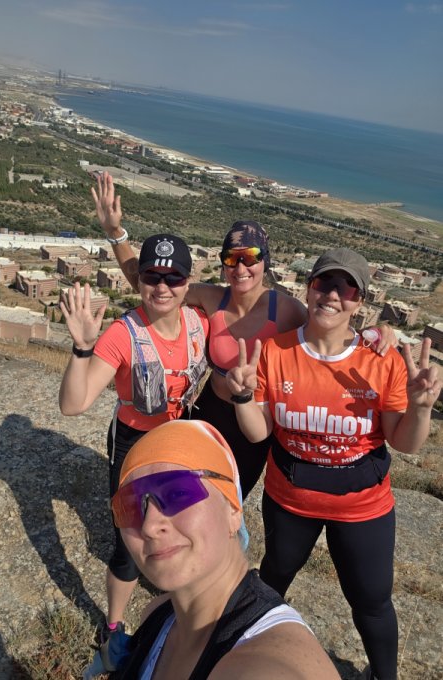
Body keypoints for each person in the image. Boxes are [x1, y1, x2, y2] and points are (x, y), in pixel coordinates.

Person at [91, 171, 394, 498]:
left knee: (231, 497)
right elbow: (153, 285)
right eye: (231, 259)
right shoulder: (212, 298)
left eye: (250, 258)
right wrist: (116, 234)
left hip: (254, 422)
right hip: (208, 413)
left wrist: (376, 332)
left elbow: (329, 327)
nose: (240, 268)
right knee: (189, 494)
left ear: (265, 262)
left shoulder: (285, 310)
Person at [225, 248, 442, 680]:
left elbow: (404, 443)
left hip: (363, 507)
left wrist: (420, 408)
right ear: (309, 288)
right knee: (273, 580)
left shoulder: (381, 360)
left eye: (348, 288)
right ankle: (245, 660)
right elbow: (259, 432)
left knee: (372, 602)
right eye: (324, 283)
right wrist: (243, 397)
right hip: (290, 501)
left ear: (360, 301)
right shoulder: (276, 351)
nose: (333, 295)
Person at [96, 419, 339, 679]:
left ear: (233, 509)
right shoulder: (156, 615)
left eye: (178, 493)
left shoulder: (266, 661)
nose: (149, 526)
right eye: (130, 506)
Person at [59, 233, 209, 640]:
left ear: (188, 284)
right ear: (138, 280)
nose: (162, 287)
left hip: (179, 443)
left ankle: (177, 606)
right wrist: (82, 349)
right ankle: (113, 628)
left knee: (181, 526)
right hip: (133, 446)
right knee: (130, 542)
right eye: (152, 276)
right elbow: (74, 404)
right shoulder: (122, 334)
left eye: (174, 278)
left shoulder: (200, 323)